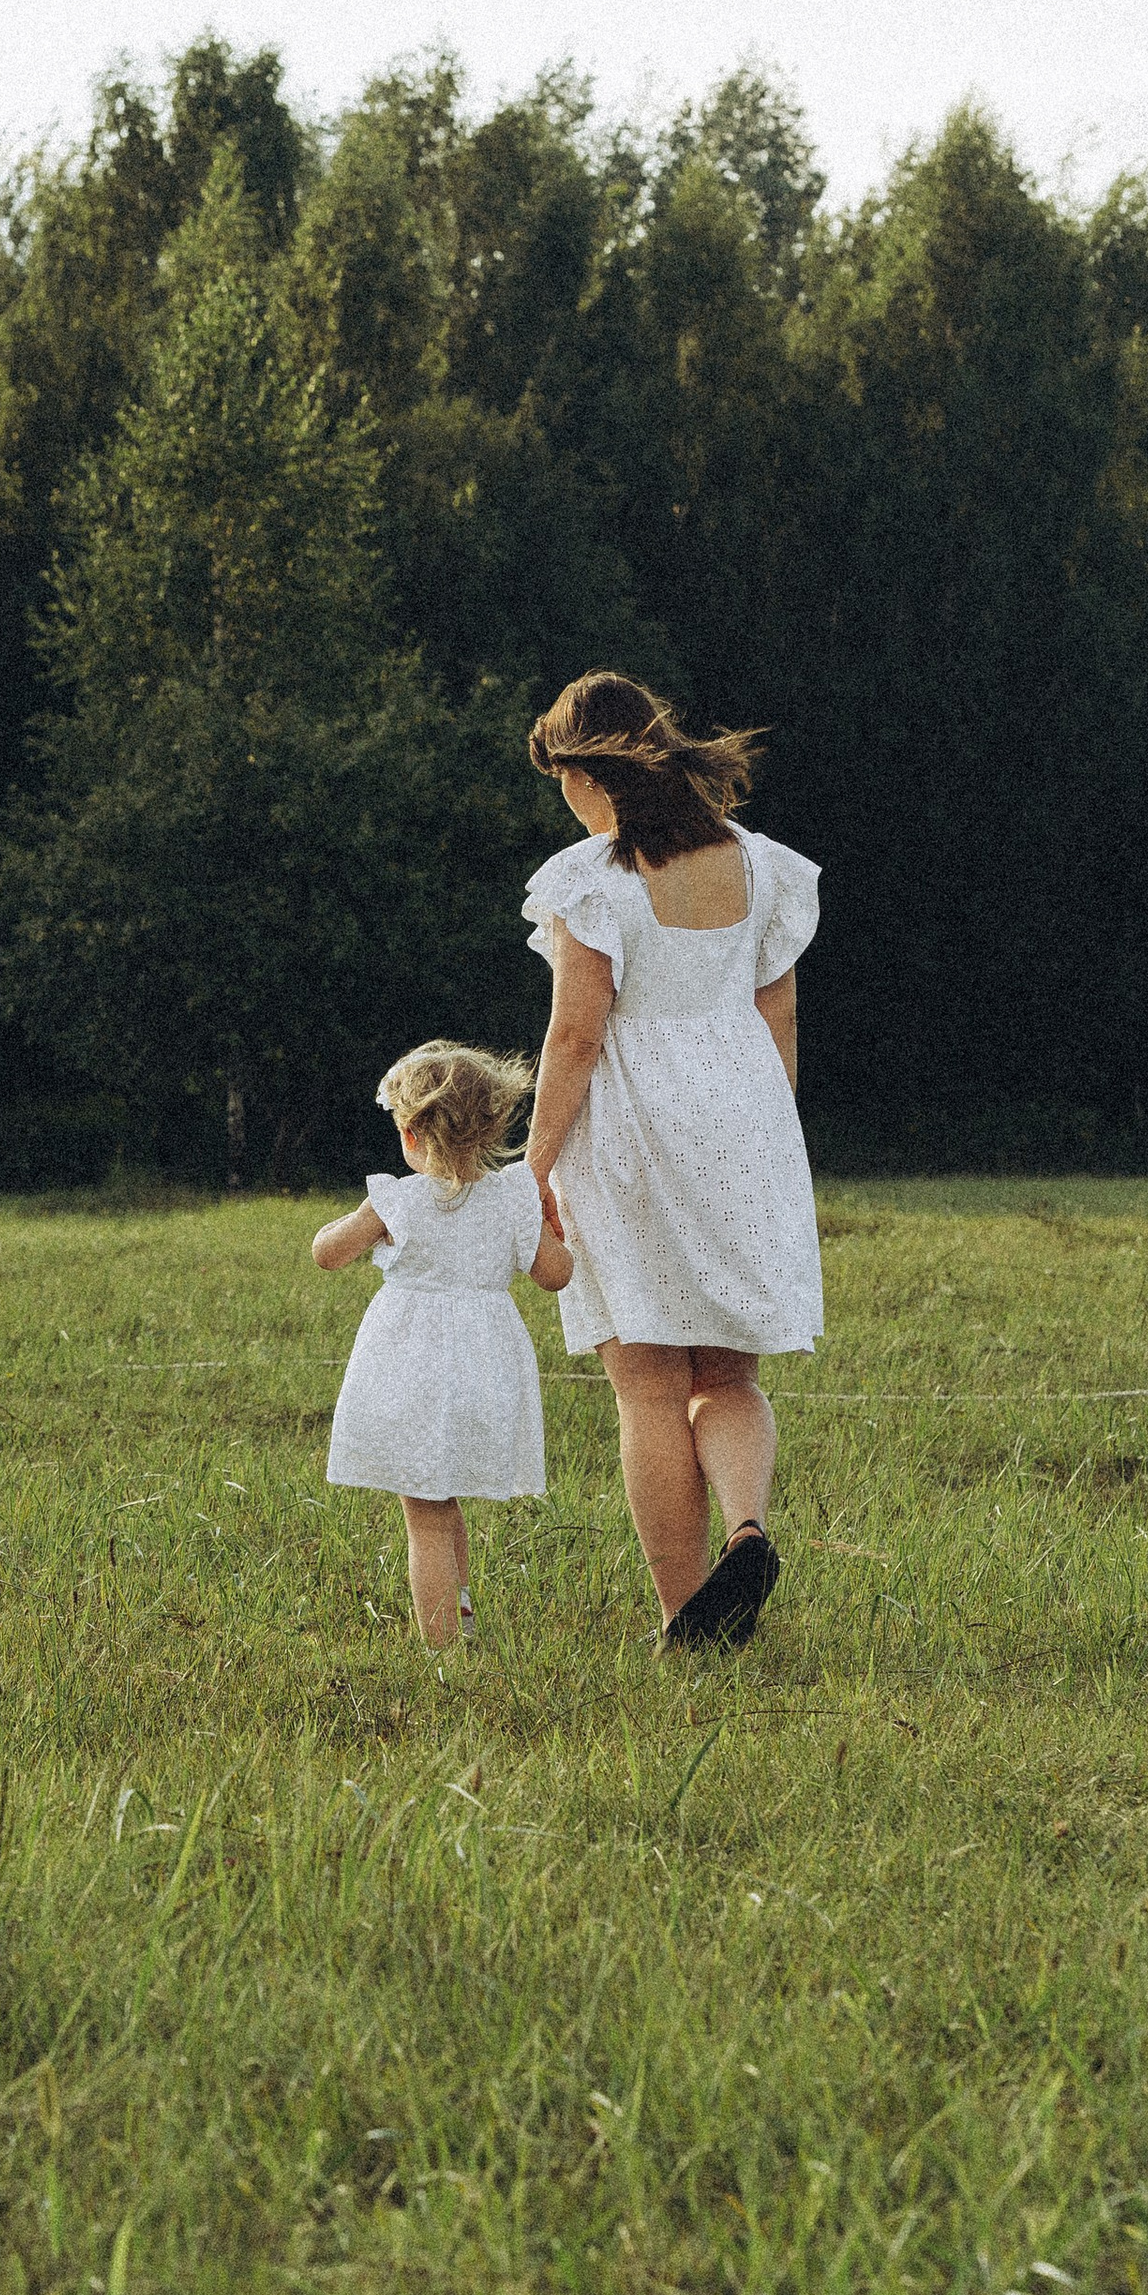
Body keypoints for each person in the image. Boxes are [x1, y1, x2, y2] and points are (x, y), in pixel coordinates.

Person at [521, 671, 822, 1649]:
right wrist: (765, 1144)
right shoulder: (763, 867)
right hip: (742, 1122)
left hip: (633, 1129)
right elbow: (776, 1015)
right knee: (725, 1378)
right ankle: (745, 1528)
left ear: (584, 770)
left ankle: (683, 1615)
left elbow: (575, 1035)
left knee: (647, 1385)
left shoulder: (590, 880)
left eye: (558, 775)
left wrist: (532, 1165)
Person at [312, 1041, 572, 1648]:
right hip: (484, 1372)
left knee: (424, 1513)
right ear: (492, 1127)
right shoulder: (511, 1199)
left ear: (409, 1134)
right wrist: (552, 1229)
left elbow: (327, 1253)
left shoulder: (396, 1201)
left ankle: (442, 1653)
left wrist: (352, 1223)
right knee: (443, 1497)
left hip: (413, 1373)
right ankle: (464, 1624)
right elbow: (555, 1274)